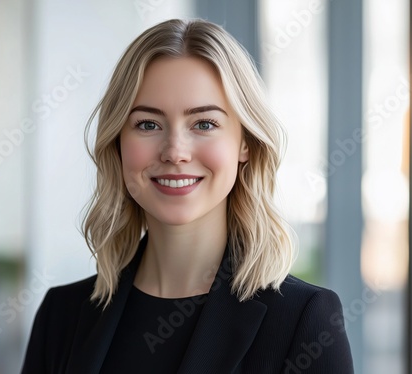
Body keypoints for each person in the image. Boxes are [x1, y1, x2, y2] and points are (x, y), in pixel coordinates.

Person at [21, 18, 354, 374]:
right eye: (148, 124)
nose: (175, 151)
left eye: (204, 124)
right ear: (118, 143)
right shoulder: (61, 315)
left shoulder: (303, 320)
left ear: (245, 143)